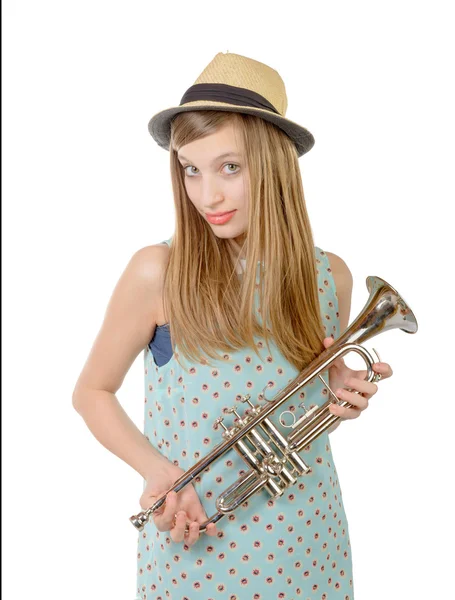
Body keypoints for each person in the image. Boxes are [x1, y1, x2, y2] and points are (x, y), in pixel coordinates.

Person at [72, 52, 393, 599]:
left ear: (273, 166)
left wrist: (336, 400)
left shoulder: (329, 276)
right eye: (191, 170)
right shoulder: (158, 271)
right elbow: (91, 392)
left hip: (309, 540)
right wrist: (157, 472)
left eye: (230, 167)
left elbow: (298, 420)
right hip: (194, 541)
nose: (207, 195)